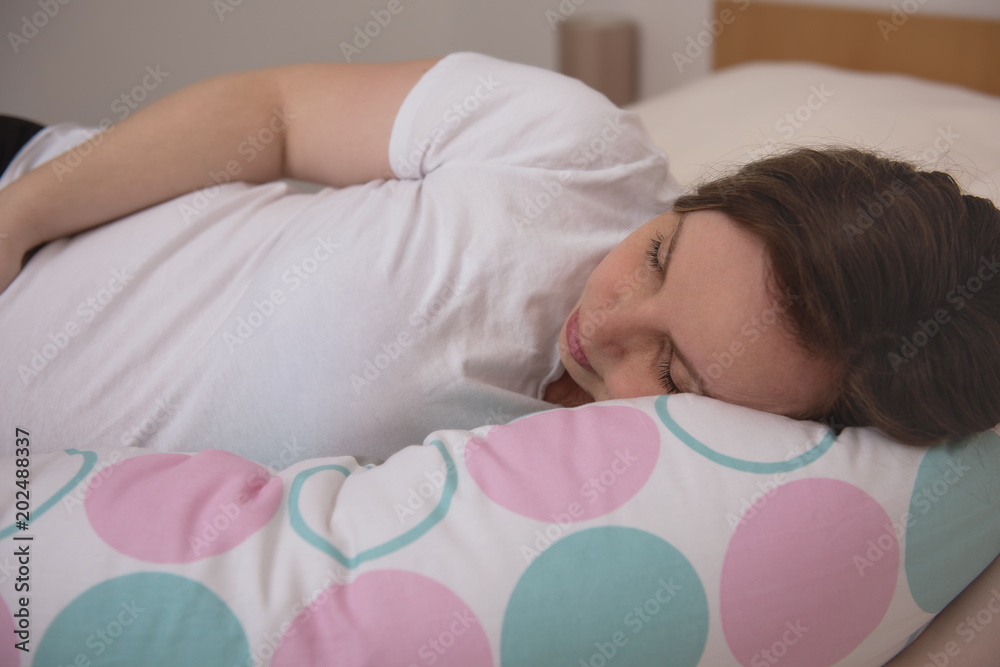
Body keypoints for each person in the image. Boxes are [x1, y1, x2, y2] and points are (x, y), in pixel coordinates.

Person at [1, 51, 998, 666]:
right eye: (656, 254)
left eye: (677, 372)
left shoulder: (601, 507)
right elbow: (273, 112)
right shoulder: (577, 153)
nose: (602, 328)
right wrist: (20, 216)